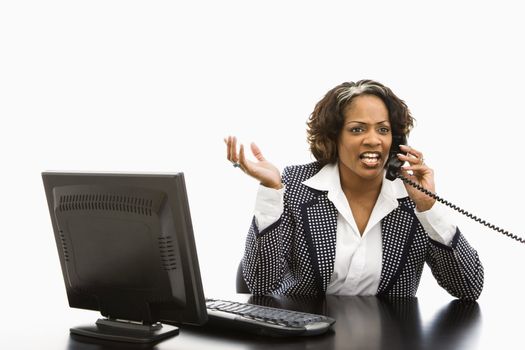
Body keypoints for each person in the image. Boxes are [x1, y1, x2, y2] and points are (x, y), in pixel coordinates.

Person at [225, 79, 483, 300]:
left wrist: (429, 208)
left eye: (383, 129)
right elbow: (260, 285)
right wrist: (271, 190)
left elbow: (468, 288)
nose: (373, 139)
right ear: (334, 137)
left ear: (396, 141)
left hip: (392, 339)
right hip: (305, 339)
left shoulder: (412, 199)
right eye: (357, 129)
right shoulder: (295, 185)